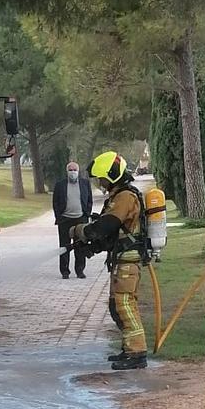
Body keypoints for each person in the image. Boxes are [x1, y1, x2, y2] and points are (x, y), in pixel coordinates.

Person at [70, 151, 148, 370]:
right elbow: (112, 234)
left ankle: (137, 353)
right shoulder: (119, 196)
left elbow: (106, 226)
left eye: (102, 178)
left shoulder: (125, 197)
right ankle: (129, 348)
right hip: (121, 260)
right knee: (116, 306)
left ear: (113, 175)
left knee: (124, 304)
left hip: (128, 261)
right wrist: (92, 247)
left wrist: (81, 231)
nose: (101, 183)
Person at [52, 161, 92, 279]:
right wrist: (59, 217)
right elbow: (55, 202)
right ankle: (65, 271)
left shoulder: (85, 184)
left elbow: (89, 200)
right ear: (67, 172)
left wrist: (87, 214)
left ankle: (80, 270)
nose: (73, 172)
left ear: (78, 171)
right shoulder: (60, 185)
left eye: (75, 170)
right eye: (70, 170)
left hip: (80, 219)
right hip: (65, 219)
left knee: (80, 245)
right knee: (64, 246)